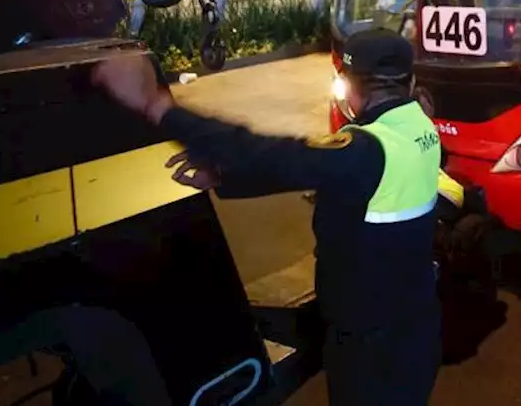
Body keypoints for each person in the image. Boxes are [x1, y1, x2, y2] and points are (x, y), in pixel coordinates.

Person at [91, 28, 443, 406]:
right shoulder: (420, 128)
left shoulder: (366, 150)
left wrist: (157, 108)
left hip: (371, 346)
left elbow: (267, 153)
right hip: (416, 324)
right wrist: (222, 177)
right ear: (411, 83)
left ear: (350, 86)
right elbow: (312, 172)